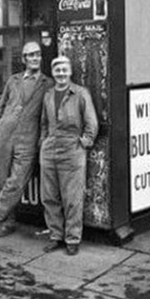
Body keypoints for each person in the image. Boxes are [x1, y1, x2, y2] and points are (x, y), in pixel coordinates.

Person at [0, 41, 53, 237]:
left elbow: (49, 114)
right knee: (2, 180)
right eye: (30, 55)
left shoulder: (48, 84)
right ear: (24, 59)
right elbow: (2, 106)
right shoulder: (13, 80)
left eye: (37, 54)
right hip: (5, 134)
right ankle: (8, 222)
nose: (35, 58)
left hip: (29, 137)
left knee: (17, 181)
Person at [39, 56, 99, 256]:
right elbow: (44, 123)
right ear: (53, 73)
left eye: (64, 70)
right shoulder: (48, 95)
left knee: (72, 198)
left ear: (70, 71)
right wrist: (43, 142)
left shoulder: (80, 93)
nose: (61, 73)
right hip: (49, 150)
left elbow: (92, 122)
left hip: (72, 149)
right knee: (49, 196)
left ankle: (72, 239)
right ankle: (56, 236)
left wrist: (86, 141)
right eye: (57, 70)